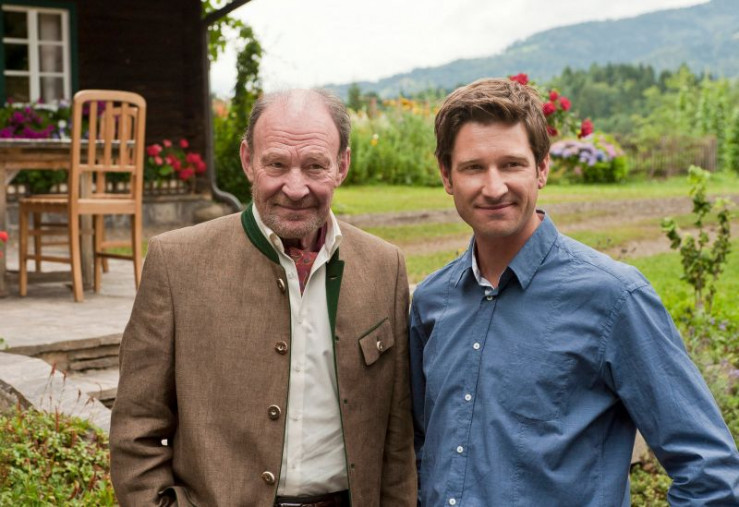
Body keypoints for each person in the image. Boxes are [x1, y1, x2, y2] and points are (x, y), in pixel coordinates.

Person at [409, 78, 739, 505]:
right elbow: (422, 449)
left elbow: (709, 471)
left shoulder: (614, 298)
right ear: (446, 175)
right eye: (474, 167)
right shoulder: (432, 302)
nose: (493, 187)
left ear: (542, 169)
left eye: (512, 164)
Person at [110, 89, 416, 507]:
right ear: (248, 160)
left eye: (315, 166)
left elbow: (397, 437)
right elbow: (136, 426)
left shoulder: (385, 266)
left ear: (342, 165)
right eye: (276, 164)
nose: (295, 187)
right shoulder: (176, 262)